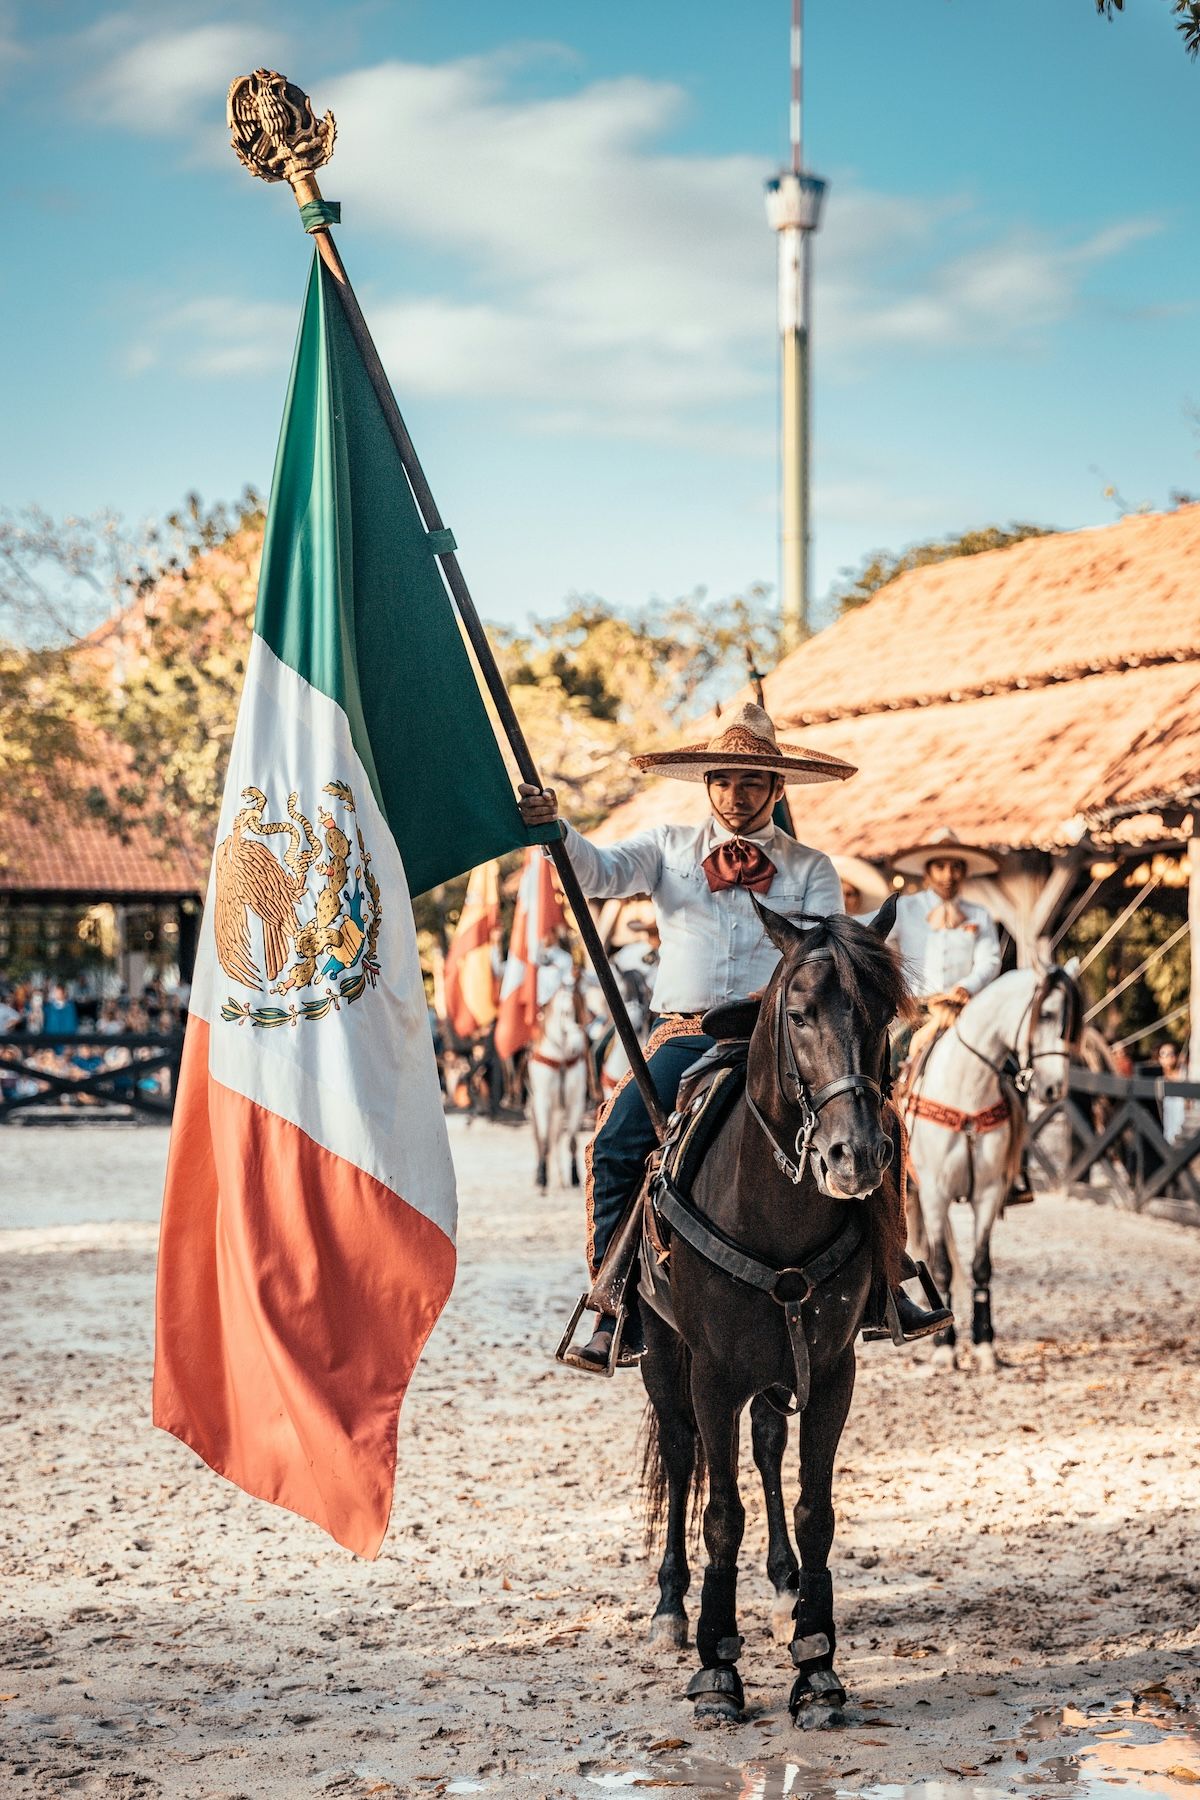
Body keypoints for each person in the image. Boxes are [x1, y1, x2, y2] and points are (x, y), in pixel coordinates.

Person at [518, 701, 950, 1370]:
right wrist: (557, 829)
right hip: (686, 1033)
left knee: (878, 1124)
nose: (735, 794)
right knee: (614, 1140)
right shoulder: (665, 848)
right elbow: (598, 873)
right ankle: (615, 1305)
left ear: (778, 789)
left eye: (751, 782)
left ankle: (890, 1286)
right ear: (706, 785)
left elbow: (828, 964)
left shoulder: (812, 867)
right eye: (722, 780)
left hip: (782, 1039)